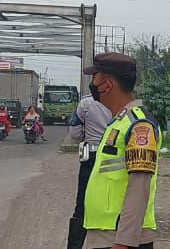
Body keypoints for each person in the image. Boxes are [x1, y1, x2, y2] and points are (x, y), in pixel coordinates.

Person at [80, 52, 161, 249]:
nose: (92, 84)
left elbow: (139, 187)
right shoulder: (119, 122)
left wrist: (123, 242)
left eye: (95, 77)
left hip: (119, 238)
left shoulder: (139, 125)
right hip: (106, 233)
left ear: (107, 85)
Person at [66, 94, 113, 249]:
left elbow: (74, 134)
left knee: (82, 205)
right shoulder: (120, 103)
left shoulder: (85, 103)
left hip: (91, 157)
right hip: (115, 157)